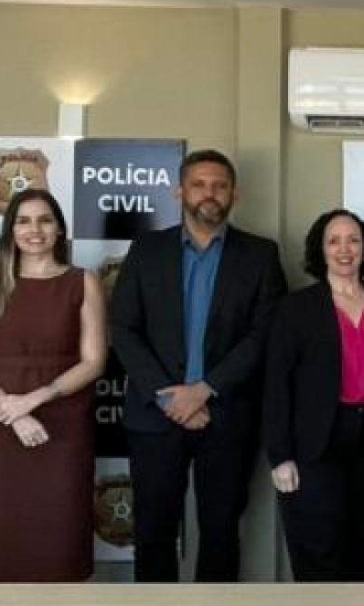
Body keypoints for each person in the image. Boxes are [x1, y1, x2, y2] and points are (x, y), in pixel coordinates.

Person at [109, 149, 288, 583]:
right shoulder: (147, 250)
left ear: (234, 195)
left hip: (226, 415)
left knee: (221, 533)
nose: (210, 193)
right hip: (156, 416)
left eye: (220, 186)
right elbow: (124, 328)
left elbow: (265, 334)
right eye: (199, 184)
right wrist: (168, 395)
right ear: (179, 192)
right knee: (153, 533)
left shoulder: (260, 255)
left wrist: (205, 389)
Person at [0, 189, 105, 582]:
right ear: (10, 229)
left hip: (62, 422)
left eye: (45, 220)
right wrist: (13, 412)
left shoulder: (83, 282)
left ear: (59, 229)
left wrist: (35, 399)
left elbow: (93, 362)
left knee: (57, 533)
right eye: (23, 221)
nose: (35, 230)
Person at [262, 208, 364, 582]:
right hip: (316, 443)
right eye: (334, 241)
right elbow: (277, 384)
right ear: (320, 251)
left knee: (362, 547)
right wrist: (280, 456)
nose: (344, 249)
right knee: (318, 551)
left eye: (353, 240)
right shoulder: (297, 307)